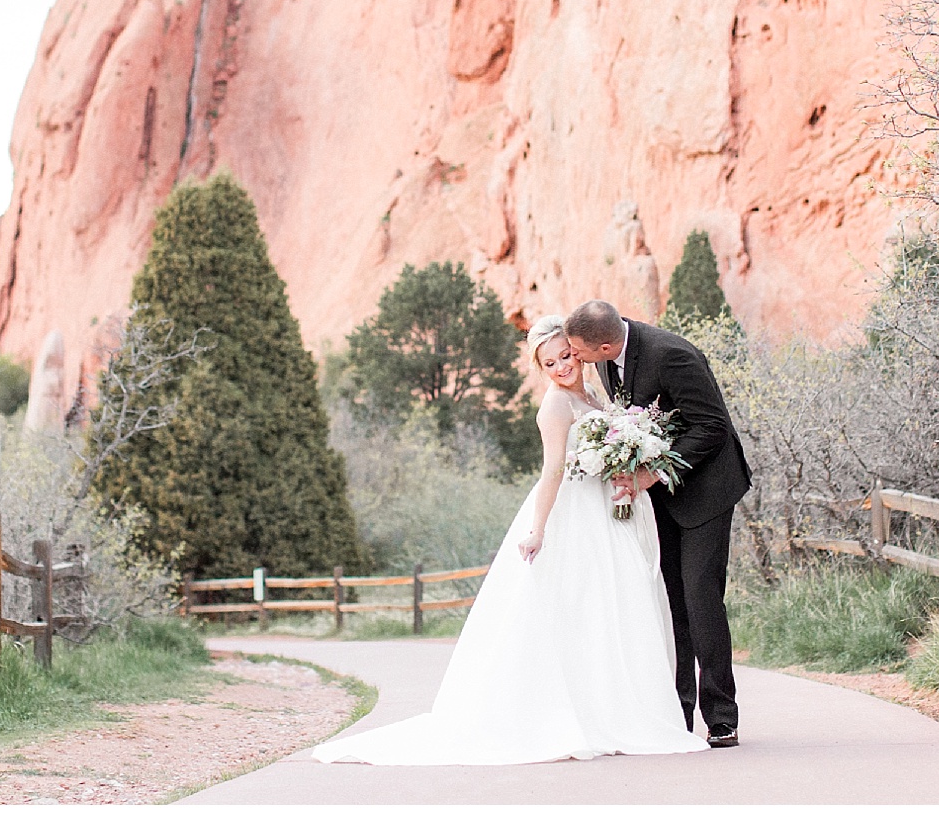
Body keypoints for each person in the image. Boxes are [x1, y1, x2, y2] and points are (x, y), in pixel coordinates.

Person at [311, 315, 708, 765]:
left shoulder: (594, 391)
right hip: (575, 515)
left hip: (610, 511)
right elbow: (552, 470)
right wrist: (537, 529)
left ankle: (618, 707)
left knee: (614, 605)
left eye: (565, 356)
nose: (562, 367)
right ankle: (588, 715)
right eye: (550, 362)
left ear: (577, 352)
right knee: (583, 607)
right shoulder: (555, 407)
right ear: (541, 368)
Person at [565, 298, 751, 749]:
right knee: (671, 604)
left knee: (701, 598)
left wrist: (652, 472)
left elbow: (712, 428)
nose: (577, 360)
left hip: (707, 491)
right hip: (661, 499)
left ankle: (721, 717)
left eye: (580, 352)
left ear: (605, 344)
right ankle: (678, 714)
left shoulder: (673, 355)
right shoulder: (608, 361)